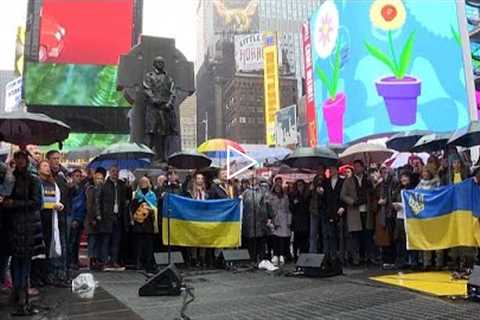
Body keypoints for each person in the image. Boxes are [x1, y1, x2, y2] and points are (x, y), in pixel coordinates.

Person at [3, 151, 43, 315]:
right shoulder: (10, 178)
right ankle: (16, 291)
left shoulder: (33, 179)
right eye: (17, 159)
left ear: (26, 161)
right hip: (12, 226)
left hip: (27, 226)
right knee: (15, 259)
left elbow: (36, 202)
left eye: (22, 159)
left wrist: (14, 203)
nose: (19, 162)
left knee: (24, 260)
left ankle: (22, 294)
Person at [37, 160, 67, 288]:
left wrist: (59, 205)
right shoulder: (37, 182)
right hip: (39, 219)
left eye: (48, 166)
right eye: (44, 166)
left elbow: (57, 198)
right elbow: (38, 200)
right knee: (39, 248)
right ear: (38, 168)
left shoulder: (52, 183)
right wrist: (50, 205)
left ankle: (45, 275)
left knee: (48, 246)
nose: (47, 168)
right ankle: (37, 277)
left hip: (51, 219)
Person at [341, 160, 375, 266]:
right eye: (354, 167)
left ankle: (369, 257)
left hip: (367, 210)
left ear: (362, 167)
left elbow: (373, 193)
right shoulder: (348, 181)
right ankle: (356, 258)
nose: (356, 169)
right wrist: (352, 201)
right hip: (354, 211)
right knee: (355, 236)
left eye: (358, 166)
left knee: (368, 235)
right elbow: (343, 195)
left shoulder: (368, 180)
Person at [96, 166, 129, 271]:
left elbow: (126, 199)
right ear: (109, 173)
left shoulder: (121, 185)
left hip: (118, 216)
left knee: (116, 240)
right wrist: (98, 214)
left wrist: (129, 187)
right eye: (113, 171)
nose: (115, 173)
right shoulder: (104, 185)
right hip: (106, 216)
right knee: (106, 240)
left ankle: (114, 261)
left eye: (117, 172)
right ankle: (104, 262)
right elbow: (98, 200)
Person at [46, 150, 70, 280]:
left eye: (58, 159)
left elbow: (66, 195)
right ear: (48, 160)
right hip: (49, 216)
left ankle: (62, 271)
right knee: (52, 244)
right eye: (54, 158)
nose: (57, 161)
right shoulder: (45, 177)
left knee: (63, 243)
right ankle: (51, 272)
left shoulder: (61, 177)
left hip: (62, 215)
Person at [416, 165, 443, 270]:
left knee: (437, 239)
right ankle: (427, 262)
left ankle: (439, 263)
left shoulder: (437, 183)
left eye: (427, 172)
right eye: (423, 172)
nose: (425, 174)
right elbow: (414, 196)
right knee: (425, 239)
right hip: (424, 215)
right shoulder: (419, 185)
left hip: (436, 214)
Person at [131, 176, 158, 274]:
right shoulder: (136, 195)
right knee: (138, 244)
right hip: (138, 222)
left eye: (145, 182)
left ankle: (148, 262)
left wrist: (151, 209)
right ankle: (138, 262)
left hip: (149, 223)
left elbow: (155, 207)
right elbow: (132, 207)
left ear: (149, 183)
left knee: (148, 244)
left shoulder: (152, 195)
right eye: (142, 182)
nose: (143, 183)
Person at [184, 172, 211, 267]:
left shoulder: (206, 192)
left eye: (201, 178)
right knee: (194, 238)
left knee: (203, 238)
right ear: (195, 180)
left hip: (204, 218)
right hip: (194, 217)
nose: (200, 180)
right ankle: (194, 258)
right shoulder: (190, 192)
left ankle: (202, 258)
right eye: (198, 178)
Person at [242, 178, 269, 263]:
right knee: (251, 241)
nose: (254, 182)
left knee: (260, 241)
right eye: (252, 180)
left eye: (255, 180)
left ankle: (260, 259)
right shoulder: (246, 192)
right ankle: (251, 259)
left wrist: (266, 219)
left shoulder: (262, 192)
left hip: (260, 221)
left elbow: (265, 206)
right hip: (249, 221)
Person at [392, 171, 415, 269]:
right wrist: (395, 205)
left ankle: (411, 261)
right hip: (399, 217)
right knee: (399, 239)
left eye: (405, 177)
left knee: (409, 239)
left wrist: (401, 205)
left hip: (410, 218)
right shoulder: (398, 189)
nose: (403, 179)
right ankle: (401, 260)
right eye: (402, 177)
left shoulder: (413, 190)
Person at [322, 166, 345, 260]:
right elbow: (324, 198)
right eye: (329, 169)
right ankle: (332, 255)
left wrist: (343, 206)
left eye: (332, 169)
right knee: (330, 235)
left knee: (341, 235)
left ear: (336, 170)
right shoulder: (326, 182)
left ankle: (342, 256)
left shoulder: (342, 182)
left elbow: (345, 194)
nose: (331, 171)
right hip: (329, 212)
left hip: (340, 211)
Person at [85, 168, 106, 270]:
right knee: (92, 241)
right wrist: (92, 219)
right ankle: (92, 260)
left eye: (101, 178)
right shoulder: (91, 189)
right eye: (97, 178)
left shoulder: (103, 190)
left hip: (101, 220)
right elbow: (89, 206)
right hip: (92, 220)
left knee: (98, 241)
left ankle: (97, 260)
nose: (99, 180)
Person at [268, 183, 292, 266]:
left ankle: (282, 254)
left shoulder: (285, 197)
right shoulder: (270, 197)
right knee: (275, 238)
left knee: (282, 239)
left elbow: (288, 209)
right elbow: (269, 208)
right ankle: (275, 254)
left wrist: (289, 221)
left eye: (279, 187)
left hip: (284, 219)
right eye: (276, 187)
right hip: (275, 218)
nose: (277, 189)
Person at [68, 169, 87, 270]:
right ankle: (71, 261)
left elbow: (82, 205)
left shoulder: (82, 188)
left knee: (77, 242)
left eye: (80, 176)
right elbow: (72, 205)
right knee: (72, 241)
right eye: (76, 176)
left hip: (80, 217)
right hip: (73, 217)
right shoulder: (70, 189)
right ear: (72, 177)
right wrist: (74, 219)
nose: (78, 178)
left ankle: (75, 260)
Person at [290, 180, 310, 261]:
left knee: (305, 240)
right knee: (296, 240)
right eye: (298, 185)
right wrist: (294, 203)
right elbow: (291, 208)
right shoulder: (294, 195)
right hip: (297, 221)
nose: (300, 187)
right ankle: (295, 255)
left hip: (305, 220)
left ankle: (304, 255)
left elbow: (308, 205)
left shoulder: (306, 195)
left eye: (301, 185)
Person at [309, 171, 326, 254]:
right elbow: (306, 197)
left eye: (321, 179)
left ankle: (324, 252)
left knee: (324, 233)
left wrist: (323, 194)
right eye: (318, 179)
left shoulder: (326, 185)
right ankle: (312, 252)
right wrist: (310, 190)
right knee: (313, 234)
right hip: (314, 211)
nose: (319, 181)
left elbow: (328, 198)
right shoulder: (312, 187)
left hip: (323, 211)